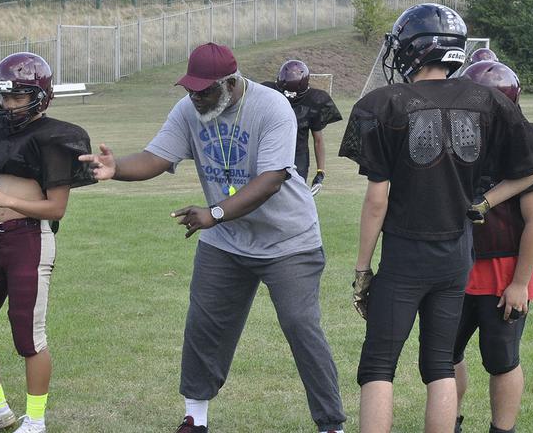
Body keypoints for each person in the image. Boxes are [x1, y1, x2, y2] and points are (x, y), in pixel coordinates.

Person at [80, 42, 347, 433]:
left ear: (230, 83)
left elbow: (272, 180)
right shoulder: (190, 109)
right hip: (226, 241)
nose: (195, 98)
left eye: (203, 91)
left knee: (299, 324)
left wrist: (214, 213)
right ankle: (195, 416)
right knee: (205, 326)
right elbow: (157, 157)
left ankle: (331, 424)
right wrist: (116, 167)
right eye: (190, 90)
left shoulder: (272, 107)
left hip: (287, 239)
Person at [338, 3, 533, 433]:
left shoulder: (384, 104)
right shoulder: (487, 100)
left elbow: (377, 201)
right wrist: (487, 201)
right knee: (439, 363)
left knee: (379, 365)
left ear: (417, 50)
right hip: (457, 253)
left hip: (406, 252)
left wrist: (363, 268)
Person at [0, 52, 95, 433]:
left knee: (29, 336)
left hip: (30, 240)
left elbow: (56, 208)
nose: (10, 105)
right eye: (6, 97)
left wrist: (6, 200)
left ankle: (37, 420)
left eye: (18, 97)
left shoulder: (56, 137)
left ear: (39, 96)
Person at [453, 61, 533, 433]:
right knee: (443, 356)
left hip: (502, 268)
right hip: (453, 262)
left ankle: (501, 430)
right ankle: (447, 422)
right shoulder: (454, 137)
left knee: (502, 359)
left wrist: (520, 282)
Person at [261, 60, 342, 196]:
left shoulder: (314, 100)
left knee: (294, 198)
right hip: (270, 152)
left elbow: (318, 140)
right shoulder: (266, 92)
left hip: (298, 156)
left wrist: (320, 172)